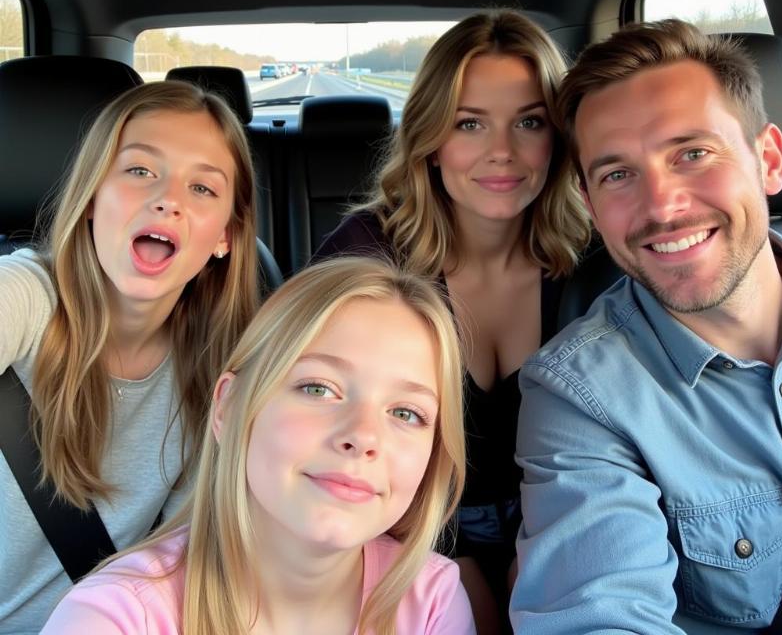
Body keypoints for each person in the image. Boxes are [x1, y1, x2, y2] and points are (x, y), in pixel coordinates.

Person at [511, 19, 782, 633]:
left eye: (692, 153)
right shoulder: (580, 397)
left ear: (768, 159)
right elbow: (598, 613)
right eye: (618, 174)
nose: (663, 206)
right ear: (591, 205)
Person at [315, 10, 590, 632]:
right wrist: (443, 558)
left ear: (560, 138)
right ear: (432, 140)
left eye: (529, 122)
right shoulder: (365, 255)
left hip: (562, 519)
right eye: (470, 123)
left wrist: (547, 547)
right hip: (398, 523)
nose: (502, 152)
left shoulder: (594, 264)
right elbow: (320, 425)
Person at [42, 256, 475, 635]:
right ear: (229, 408)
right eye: (319, 388)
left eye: (406, 414)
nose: (363, 436)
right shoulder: (112, 618)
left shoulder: (431, 600)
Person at [0, 80, 260, 634]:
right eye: (140, 171)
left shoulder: (219, 373)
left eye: (203, 189)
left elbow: (181, 565)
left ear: (226, 237)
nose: (167, 199)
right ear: (93, 196)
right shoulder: (23, 297)